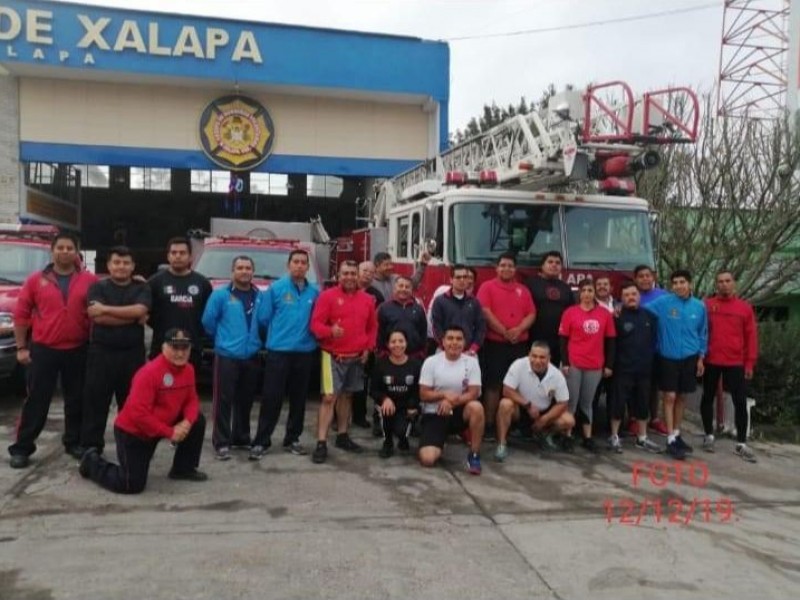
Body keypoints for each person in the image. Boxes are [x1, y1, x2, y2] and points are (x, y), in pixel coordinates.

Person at [79, 328, 207, 493]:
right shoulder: (149, 373)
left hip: (162, 423)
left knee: (197, 420)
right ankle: (91, 462)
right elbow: (138, 414)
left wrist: (187, 422)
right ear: (164, 347)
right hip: (135, 432)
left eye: (185, 348)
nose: (180, 353)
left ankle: (183, 468)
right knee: (130, 484)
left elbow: (191, 399)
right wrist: (170, 432)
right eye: (175, 348)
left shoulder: (188, 369)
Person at [9, 232, 98, 469]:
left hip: (78, 349)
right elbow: (21, 315)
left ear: (76, 252)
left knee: (76, 399)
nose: (65, 252)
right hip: (44, 350)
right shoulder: (36, 280)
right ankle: (22, 447)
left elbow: (107, 299)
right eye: (61, 247)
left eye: (70, 248)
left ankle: (73, 442)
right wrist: (20, 348)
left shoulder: (90, 280)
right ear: (53, 250)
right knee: (37, 399)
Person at [80, 246, 151, 454]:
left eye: (126, 263)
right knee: (95, 402)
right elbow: (97, 317)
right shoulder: (97, 287)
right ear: (109, 265)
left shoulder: (141, 288)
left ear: (133, 266)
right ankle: (91, 447)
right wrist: (130, 317)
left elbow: (141, 310)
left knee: (131, 403)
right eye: (117, 262)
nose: (121, 267)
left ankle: (130, 446)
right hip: (101, 353)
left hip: (132, 355)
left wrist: (107, 309)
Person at [251, 249, 320, 459]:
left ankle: (293, 438)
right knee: (272, 397)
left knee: (299, 399)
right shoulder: (276, 289)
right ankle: (262, 441)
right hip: (278, 352)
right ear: (288, 265)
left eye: (303, 262)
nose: (299, 265)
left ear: (308, 267)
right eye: (295, 262)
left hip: (305, 352)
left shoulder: (314, 292)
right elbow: (263, 319)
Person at [309, 260, 378, 463]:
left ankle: (342, 435)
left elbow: (372, 327)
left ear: (358, 276)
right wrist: (330, 331)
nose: (349, 277)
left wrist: (368, 348)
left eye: (352, 273)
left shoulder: (367, 299)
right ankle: (321, 442)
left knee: (347, 396)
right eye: (345, 273)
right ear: (338, 275)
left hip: (356, 357)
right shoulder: (327, 297)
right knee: (329, 398)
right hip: (332, 356)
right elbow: (315, 324)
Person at [201, 256, 263, 461]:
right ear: (232, 271)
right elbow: (208, 322)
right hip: (227, 356)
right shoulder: (221, 296)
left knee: (245, 400)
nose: (244, 271)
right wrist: (224, 340)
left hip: (252, 355)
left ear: (253, 272)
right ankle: (221, 442)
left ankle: (241, 437)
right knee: (223, 400)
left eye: (248, 268)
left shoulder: (260, 296)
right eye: (240, 268)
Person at [645, 270, 708, 460]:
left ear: (690, 283)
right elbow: (640, 307)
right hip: (667, 357)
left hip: (690, 357)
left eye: (682, 282)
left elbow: (703, 333)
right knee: (669, 396)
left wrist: (701, 357)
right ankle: (670, 438)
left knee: (681, 397)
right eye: (675, 282)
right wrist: (620, 307)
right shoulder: (664, 303)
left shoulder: (699, 307)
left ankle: (677, 434)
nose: (679, 285)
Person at [476, 252, 536, 438]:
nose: (506, 268)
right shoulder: (487, 287)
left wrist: (518, 330)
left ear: (515, 269)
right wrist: (504, 331)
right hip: (495, 344)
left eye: (510, 266)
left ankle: (512, 424)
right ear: (497, 268)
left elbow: (531, 313)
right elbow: (485, 311)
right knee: (493, 385)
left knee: (518, 386)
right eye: (503, 265)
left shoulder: (523, 290)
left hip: (519, 345)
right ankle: (489, 424)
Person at [701, 270, 758, 462]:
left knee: (740, 401)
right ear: (716, 285)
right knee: (707, 397)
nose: (724, 284)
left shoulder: (744, 308)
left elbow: (751, 337)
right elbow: (699, 332)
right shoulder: (707, 305)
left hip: (736, 362)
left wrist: (749, 362)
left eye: (727, 281)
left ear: (734, 283)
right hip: (711, 360)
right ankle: (708, 435)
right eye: (720, 281)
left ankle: (741, 443)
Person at [558, 279, 616, 452]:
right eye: (583, 291)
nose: (587, 294)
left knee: (587, 402)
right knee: (571, 402)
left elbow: (611, 341)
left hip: (595, 365)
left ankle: (587, 437)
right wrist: (565, 362)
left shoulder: (604, 314)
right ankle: (567, 435)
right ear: (579, 293)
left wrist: (609, 365)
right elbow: (562, 339)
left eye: (590, 290)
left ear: (594, 293)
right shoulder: (570, 312)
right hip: (574, 363)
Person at [418, 325, 485, 474]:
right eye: (450, 338)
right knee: (428, 460)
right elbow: (423, 394)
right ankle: (438, 442)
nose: (454, 343)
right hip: (434, 413)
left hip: (459, 412)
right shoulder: (431, 362)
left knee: (476, 407)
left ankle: (474, 454)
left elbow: (474, 393)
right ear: (443, 341)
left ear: (464, 342)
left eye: (458, 339)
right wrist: (443, 395)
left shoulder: (472, 362)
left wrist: (451, 402)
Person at [494, 341, 574, 461]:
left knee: (569, 420)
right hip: (521, 409)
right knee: (505, 404)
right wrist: (527, 405)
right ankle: (501, 443)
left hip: (542, 413)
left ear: (549, 358)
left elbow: (563, 403)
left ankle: (545, 434)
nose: (537, 361)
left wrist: (544, 419)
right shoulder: (519, 365)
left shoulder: (557, 375)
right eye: (534, 356)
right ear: (529, 355)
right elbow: (507, 390)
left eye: (542, 357)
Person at [609, 281, 662, 454]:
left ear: (639, 297)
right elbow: (611, 343)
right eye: (627, 295)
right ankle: (614, 436)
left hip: (644, 369)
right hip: (622, 368)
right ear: (621, 299)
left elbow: (654, 341)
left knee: (642, 404)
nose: (631, 298)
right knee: (618, 403)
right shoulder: (616, 317)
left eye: (634, 294)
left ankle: (642, 438)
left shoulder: (650, 316)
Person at [147, 237, 212, 369]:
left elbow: (208, 316)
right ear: (168, 256)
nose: (178, 256)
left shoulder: (203, 283)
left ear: (190, 256)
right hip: (162, 346)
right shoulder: (155, 282)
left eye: (182, 253)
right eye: (174, 253)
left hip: (191, 348)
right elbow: (147, 314)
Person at [371, 330, 422, 458]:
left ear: (406, 343)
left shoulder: (416, 365)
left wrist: (413, 405)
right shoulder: (380, 364)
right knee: (386, 410)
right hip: (388, 405)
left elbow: (419, 390)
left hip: (407, 406)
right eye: (393, 342)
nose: (397, 345)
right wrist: (384, 398)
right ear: (388, 344)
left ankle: (403, 437)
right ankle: (387, 442)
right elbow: (373, 390)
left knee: (401, 431)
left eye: (401, 341)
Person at [634, 264, 669, 436]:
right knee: (636, 386)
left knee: (654, 386)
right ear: (635, 279)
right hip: (638, 349)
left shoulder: (664, 296)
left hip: (658, 348)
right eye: (641, 276)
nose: (645, 279)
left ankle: (654, 419)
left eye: (648, 276)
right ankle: (634, 418)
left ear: (653, 277)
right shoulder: (632, 295)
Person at [526, 251, 575, 366]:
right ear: (542, 266)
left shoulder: (565, 288)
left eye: (558, 263)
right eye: (550, 262)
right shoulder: (530, 284)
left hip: (558, 340)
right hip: (534, 337)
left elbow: (572, 313)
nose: (554, 265)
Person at [431, 264, 486, 355]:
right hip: (445, 352)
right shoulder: (440, 301)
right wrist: (445, 346)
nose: (462, 280)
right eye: (458, 277)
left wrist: (473, 348)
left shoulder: (474, 302)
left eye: (465, 277)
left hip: (469, 353)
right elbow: (436, 327)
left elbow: (481, 327)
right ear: (451, 280)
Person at [353, 260, 382, 431]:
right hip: (345, 344)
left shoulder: (377, 295)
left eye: (371, 272)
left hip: (367, 345)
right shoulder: (348, 289)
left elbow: (377, 323)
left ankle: (359, 415)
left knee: (362, 383)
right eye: (364, 270)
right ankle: (338, 417)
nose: (367, 274)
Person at [377, 276, 428, 358]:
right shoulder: (384, 308)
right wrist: (382, 353)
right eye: (401, 286)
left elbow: (423, 333)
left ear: (411, 290)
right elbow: (379, 333)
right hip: (389, 357)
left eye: (407, 287)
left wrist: (422, 353)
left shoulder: (418, 309)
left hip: (414, 357)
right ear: (394, 288)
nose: (404, 289)